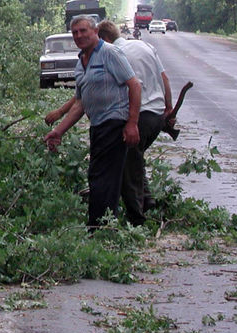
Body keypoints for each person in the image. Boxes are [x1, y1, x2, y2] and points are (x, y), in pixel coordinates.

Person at [44, 15, 141, 228]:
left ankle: (100, 227)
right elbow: (80, 103)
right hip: (97, 125)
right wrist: (59, 131)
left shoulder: (110, 53)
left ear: (95, 31)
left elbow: (134, 85)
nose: (79, 35)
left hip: (115, 122)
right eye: (75, 32)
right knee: (99, 175)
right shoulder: (81, 62)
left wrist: (132, 123)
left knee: (102, 176)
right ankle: (102, 224)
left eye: (83, 31)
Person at [97, 20, 173, 224]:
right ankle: (148, 201)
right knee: (134, 158)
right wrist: (169, 109)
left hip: (138, 117)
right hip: (156, 115)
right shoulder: (144, 45)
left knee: (127, 167)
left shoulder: (112, 54)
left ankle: (136, 219)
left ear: (104, 38)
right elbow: (164, 78)